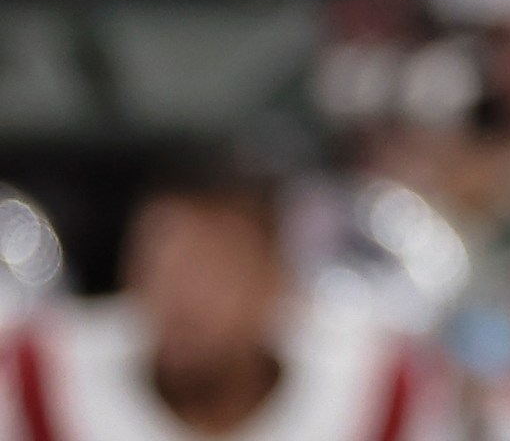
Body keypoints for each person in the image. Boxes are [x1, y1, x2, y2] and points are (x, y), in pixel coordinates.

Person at [0, 159, 457, 441]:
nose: (182, 297)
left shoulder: (382, 392)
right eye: (159, 267)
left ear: (274, 284)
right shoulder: (34, 378)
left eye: (211, 271)